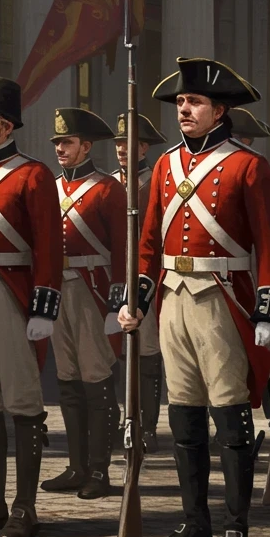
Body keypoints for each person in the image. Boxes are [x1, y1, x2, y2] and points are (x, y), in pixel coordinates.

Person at [119, 58, 270, 537]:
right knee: (184, 416)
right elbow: (149, 240)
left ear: (219, 111)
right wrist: (138, 298)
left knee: (230, 415)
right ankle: (196, 524)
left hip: (222, 295)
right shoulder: (167, 164)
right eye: (180, 103)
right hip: (173, 295)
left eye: (193, 103)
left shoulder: (246, 165)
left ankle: (236, 527)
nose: (183, 110)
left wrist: (269, 309)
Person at [0, 77, 61, 537]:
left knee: (22, 402)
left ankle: (25, 507)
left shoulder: (33, 174)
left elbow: (48, 245)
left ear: (7, 126)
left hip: (13, 290)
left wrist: (44, 306)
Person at [42, 108, 125, 501]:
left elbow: (122, 251)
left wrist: (118, 301)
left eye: (67, 142)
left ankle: (99, 469)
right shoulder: (51, 188)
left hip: (93, 290)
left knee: (96, 381)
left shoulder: (108, 189)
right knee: (68, 380)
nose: (60, 148)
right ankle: (76, 466)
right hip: (59, 289)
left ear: (86, 146)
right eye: (57, 142)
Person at [112, 112, 166, 454]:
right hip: (113, 276)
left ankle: (147, 425)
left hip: (146, 276)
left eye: (128, 143)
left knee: (146, 355)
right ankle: (125, 418)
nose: (121, 149)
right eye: (118, 143)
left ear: (144, 148)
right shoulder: (107, 184)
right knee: (118, 354)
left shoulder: (153, 183)